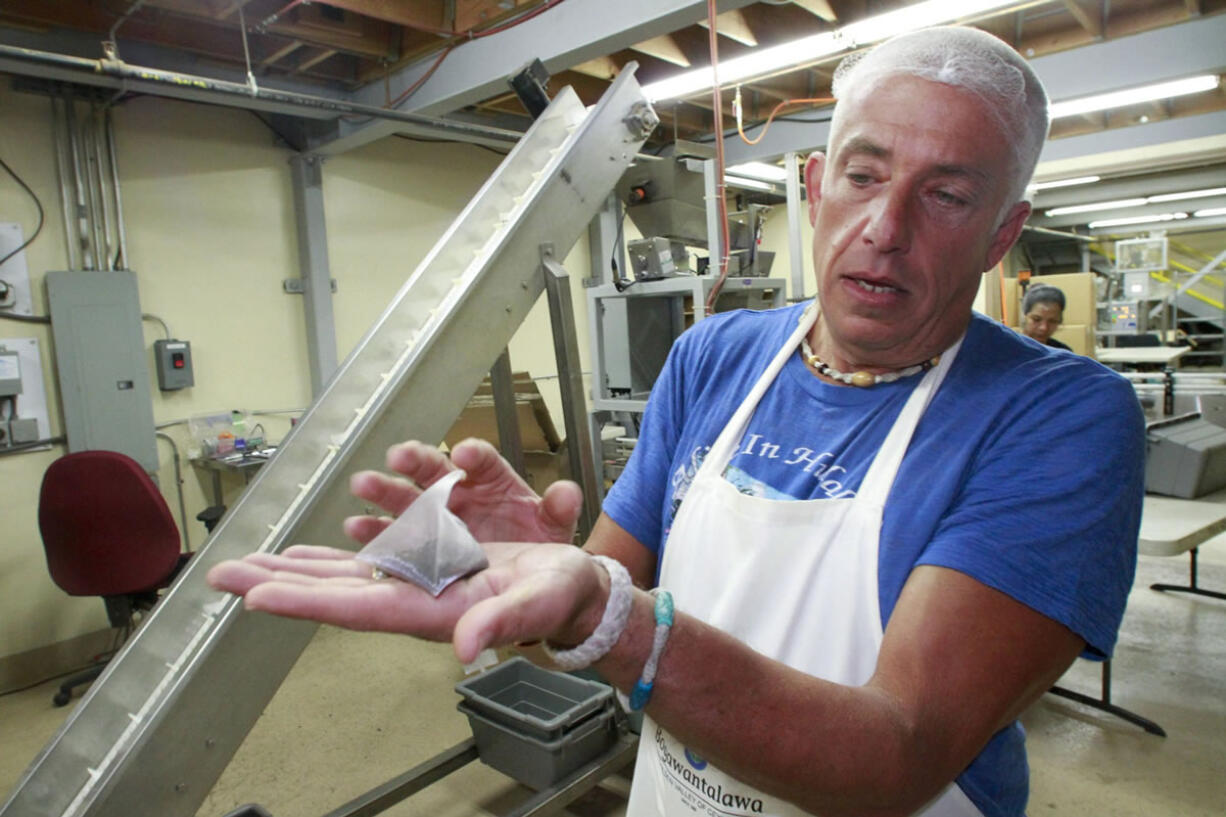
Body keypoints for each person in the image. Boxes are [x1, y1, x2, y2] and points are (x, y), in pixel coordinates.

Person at [208, 25, 1145, 817]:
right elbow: (597, 602)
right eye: (864, 175)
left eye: (945, 195)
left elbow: (897, 752)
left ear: (1002, 233)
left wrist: (611, 620)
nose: (885, 226)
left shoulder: (1057, 417)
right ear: (817, 184)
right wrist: (522, 579)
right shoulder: (717, 357)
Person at [1021, 284, 1071, 350]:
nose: (1044, 328)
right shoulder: (1008, 349)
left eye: (1052, 321)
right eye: (1036, 319)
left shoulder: (1063, 353)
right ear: (1025, 316)